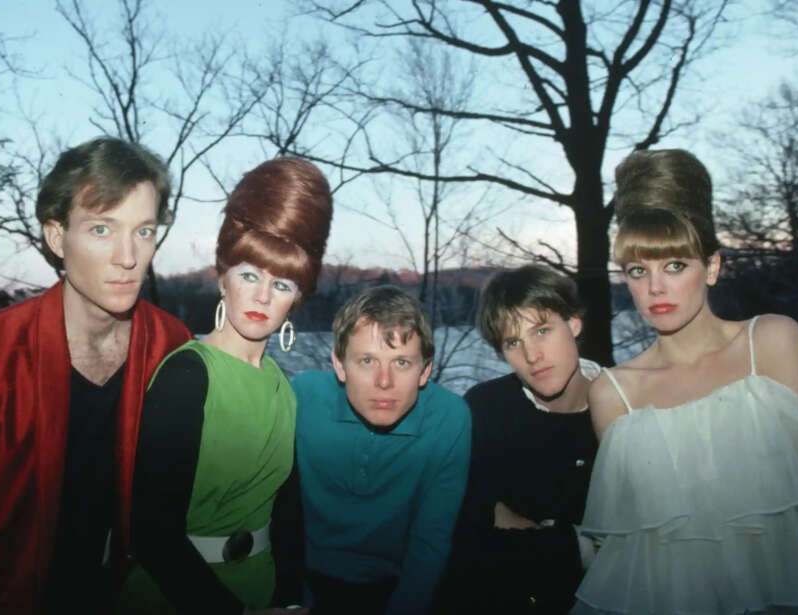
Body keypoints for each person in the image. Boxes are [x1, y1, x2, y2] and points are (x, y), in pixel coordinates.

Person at [0, 137, 192, 614]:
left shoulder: (171, 343)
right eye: (102, 229)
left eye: (143, 231)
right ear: (57, 237)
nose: (128, 257)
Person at [573, 149, 798, 614]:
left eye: (675, 265)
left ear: (712, 267)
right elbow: (639, 546)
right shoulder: (613, 392)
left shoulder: (772, 342)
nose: (655, 287)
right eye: (639, 271)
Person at [119, 157, 333, 614]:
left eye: (283, 283)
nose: (261, 296)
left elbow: (287, 513)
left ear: (298, 298)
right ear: (222, 278)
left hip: (261, 585)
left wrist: (291, 599)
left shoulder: (281, 386)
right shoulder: (187, 376)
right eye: (249, 275)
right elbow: (153, 535)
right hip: (177, 597)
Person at [275, 286, 472, 615]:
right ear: (340, 366)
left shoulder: (449, 417)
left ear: (424, 371)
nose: (384, 381)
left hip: (396, 587)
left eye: (402, 362)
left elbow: (431, 542)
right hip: (301, 581)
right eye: (367, 360)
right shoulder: (304, 398)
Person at [438, 264, 600, 614]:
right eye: (514, 342)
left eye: (541, 330)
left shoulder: (623, 406)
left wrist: (527, 533)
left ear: (573, 323)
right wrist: (577, 544)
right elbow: (464, 545)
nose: (532, 356)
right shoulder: (487, 407)